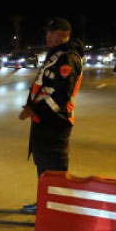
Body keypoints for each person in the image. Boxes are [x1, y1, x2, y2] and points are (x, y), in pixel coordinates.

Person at [18, 18, 84, 214]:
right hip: (45, 121)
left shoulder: (68, 58)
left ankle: (55, 210)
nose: (48, 35)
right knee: (45, 166)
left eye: (53, 32)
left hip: (55, 122)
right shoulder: (56, 54)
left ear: (66, 34)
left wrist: (36, 111)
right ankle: (45, 204)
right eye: (47, 32)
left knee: (53, 168)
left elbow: (62, 95)